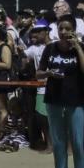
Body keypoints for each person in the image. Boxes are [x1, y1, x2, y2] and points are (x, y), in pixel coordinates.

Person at [36, 15, 84, 168]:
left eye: (68, 28)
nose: (64, 32)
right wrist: (48, 73)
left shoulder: (82, 48)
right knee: (58, 141)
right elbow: (38, 74)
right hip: (54, 99)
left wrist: (77, 47)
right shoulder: (50, 48)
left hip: (76, 100)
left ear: (74, 29)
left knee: (77, 141)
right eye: (61, 28)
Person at [24, 19, 53, 152]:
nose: (35, 34)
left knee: (59, 117)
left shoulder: (57, 45)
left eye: (38, 31)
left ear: (46, 31)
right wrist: (19, 52)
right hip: (41, 86)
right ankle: (49, 144)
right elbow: (23, 58)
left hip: (57, 86)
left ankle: (63, 145)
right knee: (42, 117)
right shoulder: (34, 48)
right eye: (34, 31)